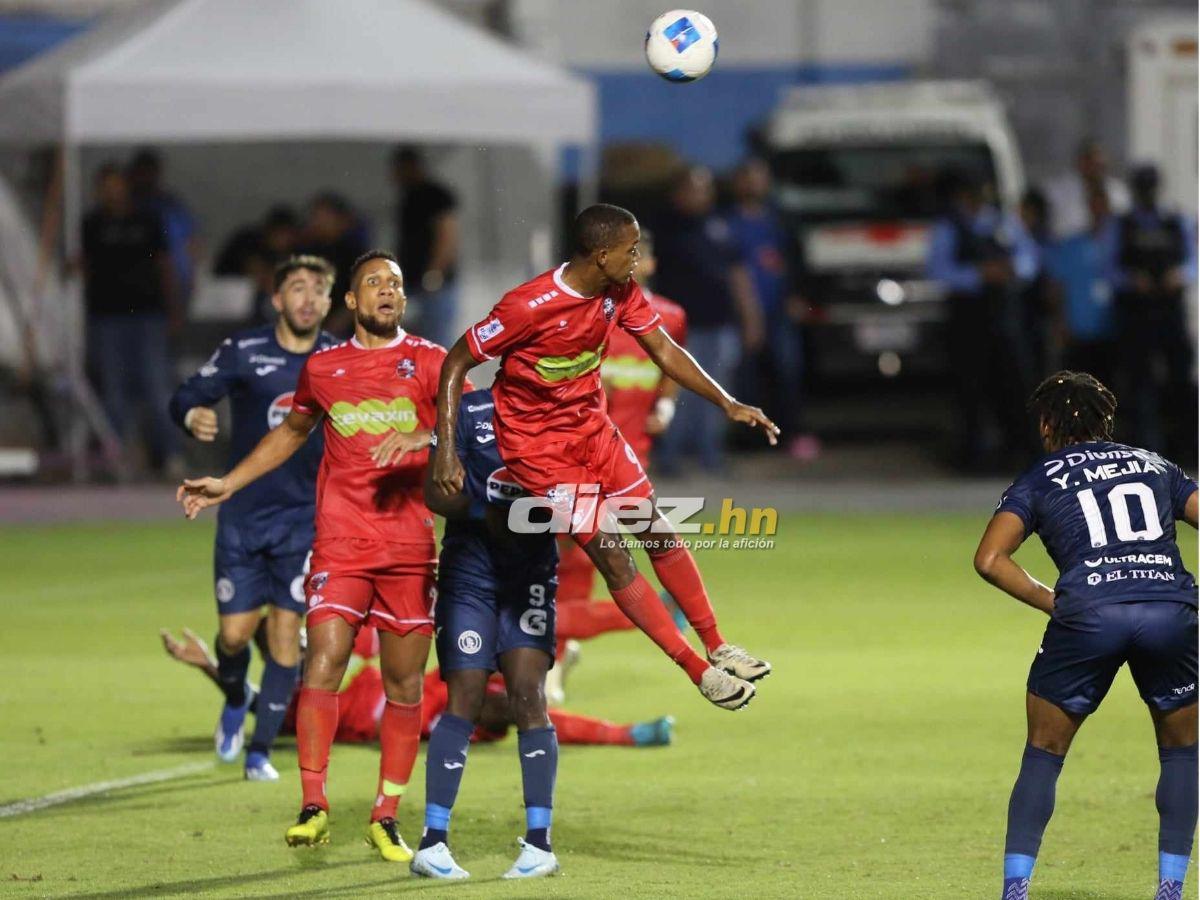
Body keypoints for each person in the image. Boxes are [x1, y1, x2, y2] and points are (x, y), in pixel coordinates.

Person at [433, 204, 777, 713]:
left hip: (595, 433)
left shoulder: (619, 291)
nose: (637, 260)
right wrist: (445, 448)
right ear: (601, 254)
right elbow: (456, 361)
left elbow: (663, 349)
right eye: (630, 250)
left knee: (656, 527)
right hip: (541, 454)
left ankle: (717, 643)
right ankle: (698, 671)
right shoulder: (528, 307)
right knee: (613, 554)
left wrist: (727, 402)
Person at [177, 250, 449, 863]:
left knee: (406, 683)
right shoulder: (325, 369)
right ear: (350, 302)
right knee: (323, 661)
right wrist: (228, 482)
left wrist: (428, 435)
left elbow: (477, 426)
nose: (387, 291)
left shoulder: (433, 363)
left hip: (408, 547)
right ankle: (313, 805)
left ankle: (386, 814)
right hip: (338, 543)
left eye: (396, 284)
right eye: (374, 283)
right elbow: (291, 434)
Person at [972, 371, 1197, 900]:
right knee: (1183, 751)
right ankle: (1170, 890)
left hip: (1090, 611)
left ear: (1048, 423)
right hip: (1170, 606)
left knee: (1043, 753)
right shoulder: (1153, 463)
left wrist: (1059, 602)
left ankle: (1015, 891)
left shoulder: (1042, 474)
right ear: (1106, 421)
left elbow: (989, 560)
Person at [168, 255, 336, 780]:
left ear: (330, 302)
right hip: (243, 514)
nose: (308, 298)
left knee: (287, 636)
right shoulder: (245, 350)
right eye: (297, 288)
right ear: (277, 299)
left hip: (306, 519)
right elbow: (189, 392)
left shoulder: (338, 358)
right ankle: (237, 696)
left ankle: (260, 752)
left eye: (318, 290)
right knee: (236, 636)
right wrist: (190, 413)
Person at [410, 386, 563, 880]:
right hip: (469, 571)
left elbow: (576, 498)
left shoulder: (566, 410)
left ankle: (539, 844)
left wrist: (518, 508)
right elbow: (435, 493)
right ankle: (432, 843)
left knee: (527, 692)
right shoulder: (465, 409)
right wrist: (482, 507)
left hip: (531, 570)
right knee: (466, 695)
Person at [548, 230, 688, 705]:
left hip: (630, 460)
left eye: (638, 255)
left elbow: (673, 366)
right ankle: (557, 655)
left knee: (593, 558)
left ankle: (555, 652)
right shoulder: (597, 318)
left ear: (648, 264)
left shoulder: (669, 317)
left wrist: (664, 410)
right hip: (579, 456)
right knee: (575, 556)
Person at [160, 625, 674, 750]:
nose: (298, 646)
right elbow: (251, 703)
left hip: (423, 685)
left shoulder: (338, 660)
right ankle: (624, 734)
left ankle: (550, 671)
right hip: (425, 720)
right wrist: (209, 666)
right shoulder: (297, 708)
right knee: (511, 709)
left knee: (512, 669)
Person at [652, 166, 763, 474]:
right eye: (693, 189)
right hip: (679, 329)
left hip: (720, 325)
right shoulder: (665, 229)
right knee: (679, 392)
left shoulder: (720, 226)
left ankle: (711, 454)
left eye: (705, 189)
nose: (700, 195)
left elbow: (739, 274)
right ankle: (670, 457)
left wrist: (751, 316)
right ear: (679, 192)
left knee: (719, 393)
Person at [926, 168, 1039, 471]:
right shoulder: (949, 227)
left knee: (1014, 385)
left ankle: (1018, 451)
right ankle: (973, 455)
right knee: (970, 389)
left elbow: (1030, 259)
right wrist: (977, 274)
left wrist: (1012, 269)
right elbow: (937, 271)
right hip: (968, 319)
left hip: (1005, 317)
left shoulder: (1004, 223)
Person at [81, 162, 182, 475]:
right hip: (107, 318)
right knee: (114, 391)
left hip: (147, 315)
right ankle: (116, 457)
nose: (113, 193)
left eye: (117, 185)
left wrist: (173, 308)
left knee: (156, 386)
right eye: (106, 187)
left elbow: (164, 265)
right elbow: (84, 266)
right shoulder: (91, 224)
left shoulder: (148, 221)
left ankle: (169, 454)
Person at [723, 156, 815, 459]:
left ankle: (792, 435)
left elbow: (797, 261)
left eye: (758, 177)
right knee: (743, 378)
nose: (753, 183)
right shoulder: (727, 222)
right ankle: (750, 441)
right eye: (747, 176)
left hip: (779, 312)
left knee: (788, 371)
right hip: (739, 315)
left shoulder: (779, 220)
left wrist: (797, 296)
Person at [1107, 164, 1197, 461]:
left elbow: (1193, 262)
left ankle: (1185, 447)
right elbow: (1108, 268)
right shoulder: (1123, 224)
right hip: (1136, 313)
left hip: (1170, 311)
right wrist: (1131, 280)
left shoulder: (1176, 220)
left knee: (1180, 380)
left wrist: (1178, 275)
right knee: (1139, 384)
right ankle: (1147, 450)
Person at [1045, 189, 1117, 386]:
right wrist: (1060, 321)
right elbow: (1056, 286)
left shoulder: (1119, 245)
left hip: (1113, 330)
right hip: (1079, 332)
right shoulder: (1072, 245)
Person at [392, 146, 460, 349]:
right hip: (414, 283)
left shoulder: (435, 196)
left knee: (436, 342)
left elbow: (447, 235)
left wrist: (435, 271)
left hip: (435, 283)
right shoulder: (407, 197)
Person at [128, 148, 199, 307]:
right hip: (144, 282)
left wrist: (192, 277)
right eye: (142, 173)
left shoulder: (171, 206)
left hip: (177, 275)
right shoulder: (130, 209)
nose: (145, 178)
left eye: (149, 173)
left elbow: (192, 243)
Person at [297, 192, 369, 336]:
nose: (318, 222)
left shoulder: (355, 253)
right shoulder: (307, 251)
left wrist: (340, 320)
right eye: (316, 216)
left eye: (324, 217)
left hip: (345, 329)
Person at [1044, 138, 1131, 241]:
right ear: (1081, 162)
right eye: (1091, 162)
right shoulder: (1058, 190)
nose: (1095, 169)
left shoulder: (1119, 191)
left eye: (1099, 164)